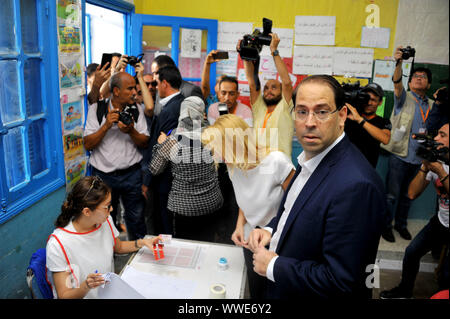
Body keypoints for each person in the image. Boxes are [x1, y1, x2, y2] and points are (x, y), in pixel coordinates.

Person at [247, 75, 386, 299]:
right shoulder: (311, 158)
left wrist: (274, 266)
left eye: (321, 112)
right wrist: (270, 230)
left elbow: (344, 280)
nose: (309, 122)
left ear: (342, 116)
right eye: (301, 111)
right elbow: (295, 210)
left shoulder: (357, 186)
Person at [202, 114, 295, 299]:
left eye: (218, 149)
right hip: (250, 239)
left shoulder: (276, 161)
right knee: (256, 289)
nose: (216, 157)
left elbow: (297, 204)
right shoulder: (233, 165)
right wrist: (240, 226)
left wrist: (273, 233)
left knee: (278, 291)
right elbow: (243, 199)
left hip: (278, 239)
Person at [46, 176, 161, 299]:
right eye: (107, 206)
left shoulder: (105, 221)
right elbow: (64, 295)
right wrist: (86, 286)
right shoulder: (59, 243)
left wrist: (143, 242)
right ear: (86, 212)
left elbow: (118, 246)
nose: (111, 209)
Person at [380, 123, 449, 299]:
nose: (436, 139)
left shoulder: (441, 167)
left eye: (442, 135)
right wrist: (425, 167)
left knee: (446, 278)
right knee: (411, 253)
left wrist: (441, 173)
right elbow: (412, 193)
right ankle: (404, 291)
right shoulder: (437, 161)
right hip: (441, 221)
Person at [83, 70, 150, 240]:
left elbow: (144, 142)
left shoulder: (136, 109)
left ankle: (138, 252)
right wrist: (106, 125)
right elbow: (88, 144)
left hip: (131, 174)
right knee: (105, 219)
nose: (135, 92)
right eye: (130, 89)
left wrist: (131, 130)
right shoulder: (97, 109)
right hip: (103, 175)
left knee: (136, 218)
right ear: (116, 91)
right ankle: (109, 253)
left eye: (135, 88)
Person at [150, 96, 223, 241]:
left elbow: (155, 169)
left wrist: (160, 144)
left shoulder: (172, 142)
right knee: (208, 244)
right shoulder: (213, 136)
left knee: (184, 246)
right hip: (211, 203)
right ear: (201, 113)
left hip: (182, 208)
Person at [380, 46, 434, 243]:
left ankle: (401, 225)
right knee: (391, 195)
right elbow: (396, 83)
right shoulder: (404, 97)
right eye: (416, 76)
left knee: (408, 196)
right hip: (400, 156)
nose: (419, 78)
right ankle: (385, 226)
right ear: (410, 82)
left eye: (423, 77)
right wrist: (399, 63)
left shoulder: (432, 105)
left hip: (420, 158)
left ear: (428, 84)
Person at [143, 65, 185, 235]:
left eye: (157, 83)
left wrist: (147, 181)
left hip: (166, 178)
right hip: (171, 178)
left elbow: (162, 150)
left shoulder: (171, 110)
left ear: (165, 83)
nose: (156, 87)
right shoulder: (181, 102)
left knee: (166, 224)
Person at [241, 33, 294, 157]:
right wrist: (245, 54)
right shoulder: (259, 108)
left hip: (280, 167)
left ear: (282, 92)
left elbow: (286, 82)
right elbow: (252, 83)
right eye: (266, 88)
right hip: (259, 165)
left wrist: (274, 51)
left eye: (274, 87)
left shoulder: (285, 108)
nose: (269, 91)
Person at [345, 82, 392, 167]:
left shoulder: (383, 121)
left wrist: (360, 120)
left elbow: (385, 139)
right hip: (346, 163)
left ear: (380, 102)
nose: (369, 103)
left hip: (367, 167)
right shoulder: (349, 115)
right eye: (366, 99)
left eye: (373, 100)